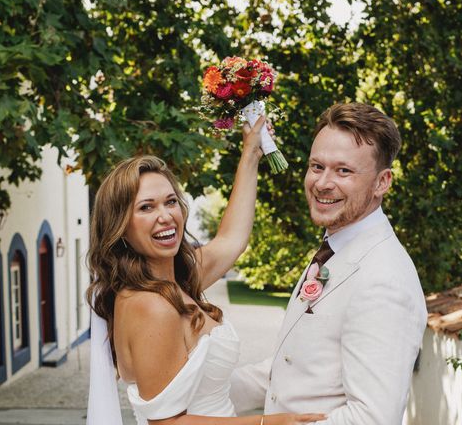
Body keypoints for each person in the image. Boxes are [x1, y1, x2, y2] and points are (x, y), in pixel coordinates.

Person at [86, 115, 325, 425]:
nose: (165, 216)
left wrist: (251, 152)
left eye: (170, 201)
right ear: (121, 227)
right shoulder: (149, 305)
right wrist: (269, 422)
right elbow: (168, 424)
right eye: (146, 207)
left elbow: (231, 239)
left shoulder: (174, 278)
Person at [230, 102, 428, 424]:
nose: (322, 183)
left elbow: (371, 418)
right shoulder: (335, 247)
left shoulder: (383, 279)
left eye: (343, 170)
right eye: (317, 166)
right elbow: (297, 369)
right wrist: (199, 397)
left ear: (382, 182)